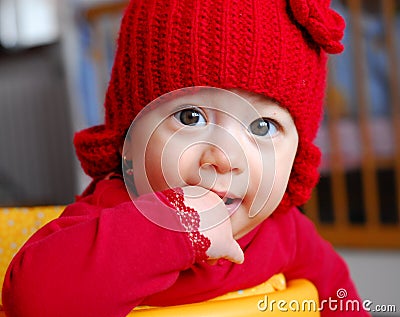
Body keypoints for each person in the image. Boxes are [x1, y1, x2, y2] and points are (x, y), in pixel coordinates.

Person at [2, 0, 370, 316]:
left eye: (262, 126)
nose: (226, 157)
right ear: (129, 138)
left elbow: (342, 301)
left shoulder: (285, 232)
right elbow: (30, 302)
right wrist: (173, 224)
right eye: (190, 117)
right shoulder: (109, 215)